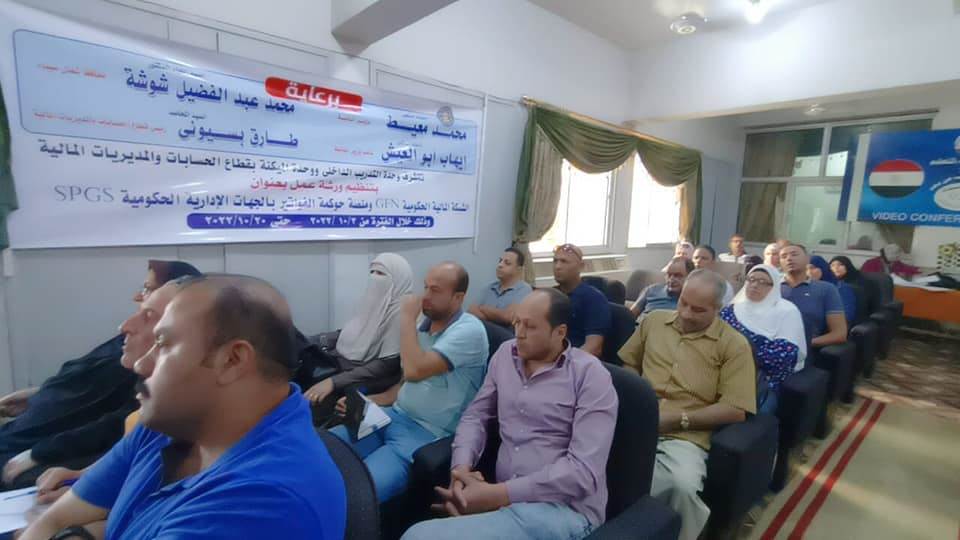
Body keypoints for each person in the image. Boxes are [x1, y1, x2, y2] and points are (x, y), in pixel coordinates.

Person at [22, 275, 347, 540]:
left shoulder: (260, 502)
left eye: (163, 344)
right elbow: (54, 520)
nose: (142, 364)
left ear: (232, 360)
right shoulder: (172, 423)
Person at [402, 289, 617, 540]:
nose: (519, 333)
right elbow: (476, 416)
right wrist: (461, 469)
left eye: (530, 327)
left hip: (562, 509)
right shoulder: (506, 354)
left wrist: (497, 495)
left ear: (560, 332)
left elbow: (582, 473)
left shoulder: (591, 376)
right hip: (505, 500)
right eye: (516, 322)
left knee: (417, 537)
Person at [0, 260, 201, 490]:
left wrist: (39, 454)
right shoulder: (142, 415)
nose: (124, 327)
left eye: (149, 313)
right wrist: (38, 394)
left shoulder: (171, 420)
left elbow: (112, 433)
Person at [331, 262, 488, 503]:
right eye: (425, 287)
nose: (425, 296)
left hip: (426, 433)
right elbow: (405, 382)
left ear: (458, 297)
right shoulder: (423, 326)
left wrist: (406, 318)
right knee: (319, 451)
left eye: (435, 290)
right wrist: (369, 402)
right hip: (391, 416)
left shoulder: (469, 330)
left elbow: (415, 371)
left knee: (355, 494)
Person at [618, 270, 756, 540]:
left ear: (718, 308)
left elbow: (735, 409)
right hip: (637, 420)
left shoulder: (734, 345)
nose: (686, 314)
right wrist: (638, 398)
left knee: (679, 485)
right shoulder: (654, 321)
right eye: (683, 303)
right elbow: (629, 362)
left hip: (686, 434)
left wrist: (678, 419)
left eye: (698, 310)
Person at [301, 253, 414, 408]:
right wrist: (312, 340)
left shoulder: (401, 311)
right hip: (339, 360)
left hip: (360, 373)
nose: (374, 277)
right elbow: (352, 331)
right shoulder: (375, 299)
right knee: (296, 349)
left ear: (399, 278)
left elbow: (387, 365)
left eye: (381, 273)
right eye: (372, 272)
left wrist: (333, 382)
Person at [720, 264, 806, 415]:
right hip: (720, 370)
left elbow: (783, 357)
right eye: (751, 279)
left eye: (763, 282)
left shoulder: (787, 311)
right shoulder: (732, 308)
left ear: (774, 286)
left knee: (746, 414)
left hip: (761, 380)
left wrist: (735, 354)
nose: (754, 285)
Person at [780, 245, 847, 352]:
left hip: (806, 349)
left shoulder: (826, 289)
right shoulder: (769, 286)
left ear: (807, 259)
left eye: (794, 254)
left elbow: (839, 334)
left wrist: (805, 343)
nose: (789, 258)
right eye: (784, 256)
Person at [552, 244, 611, 357]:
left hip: (574, 360)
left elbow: (594, 347)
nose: (557, 266)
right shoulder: (551, 295)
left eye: (564, 261)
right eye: (555, 261)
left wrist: (565, 362)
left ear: (581, 266)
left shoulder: (594, 299)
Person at [468, 247, 533, 328]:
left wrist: (482, 308)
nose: (500, 265)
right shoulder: (489, 287)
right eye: (500, 261)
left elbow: (508, 317)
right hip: (483, 330)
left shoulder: (524, 289)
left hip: (508, 333)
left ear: (518, 269)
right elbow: (471, 311)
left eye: (507, 263)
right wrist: (496, 317)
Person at [629, 256, 694, 318]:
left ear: (691, 276)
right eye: (669, 275)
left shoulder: (694, 299)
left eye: (677, 275)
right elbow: (630, 315)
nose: (671, 279)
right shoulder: (651, 290)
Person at [808, 255, 857, 325]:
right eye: (805, 269)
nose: (808, 272)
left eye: (812, 268)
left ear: (823, 268)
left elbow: (846, 316)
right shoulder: (803, 287)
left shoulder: (840, 288)